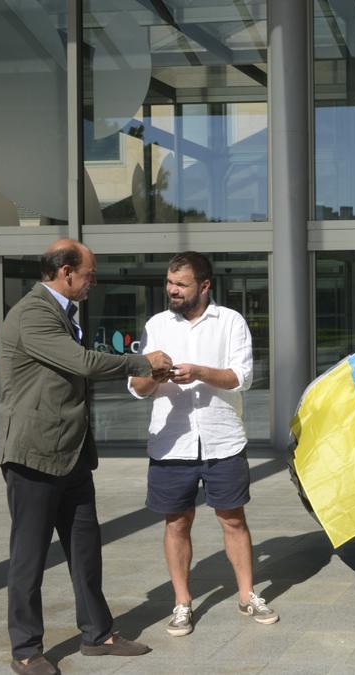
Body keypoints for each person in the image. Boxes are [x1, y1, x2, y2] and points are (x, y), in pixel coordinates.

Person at [0, 239, 171, 675]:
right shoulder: (33, 313)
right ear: (65, 273)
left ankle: (98, 635)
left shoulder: (63, 312)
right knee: (29, 557)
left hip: (71, 453)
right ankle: (25, 649)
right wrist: (141, 363)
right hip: (33, 455)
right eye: (89, 274)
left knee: (86, 549)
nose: (93, 281)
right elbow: (83, 364)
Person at [128, 251, 276, 638]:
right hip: (171, 443)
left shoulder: (230, 322)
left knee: (232, 519)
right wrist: (155, 376)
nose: (171, 290)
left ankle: (247, 595)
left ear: (204, 285)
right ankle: (182, 603)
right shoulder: (156, 325)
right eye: (169, 282)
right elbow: (138, 389)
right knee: (177, 523)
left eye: (181, 284)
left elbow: (241, 377)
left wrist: (198, 372)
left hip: (222, 440)